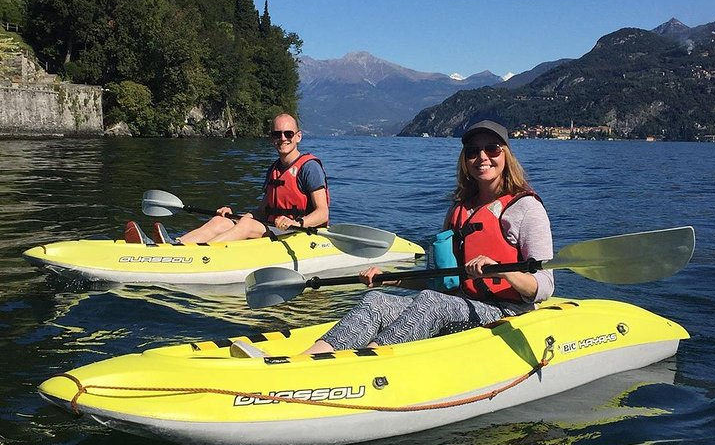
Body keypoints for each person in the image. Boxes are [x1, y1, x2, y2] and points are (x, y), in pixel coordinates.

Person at [296, 120, 554, 355]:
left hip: (509, 313)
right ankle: (308, 359)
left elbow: (544, 286)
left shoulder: (526, 208)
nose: (482, 157)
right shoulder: (459, 211)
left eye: (492, 149)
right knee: (376, 301)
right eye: (473, 152)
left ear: (506, 154)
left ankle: (366, 361)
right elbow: (440, 283)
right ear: (465, 160)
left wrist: (503, 272)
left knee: (433, 303)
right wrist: (393, 281)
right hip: (458, 304)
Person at [124, 113, 329, 244]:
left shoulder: (309, 168)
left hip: (300, 234)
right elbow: (262, 210)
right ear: (271, 138)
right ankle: (176, 244)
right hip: (274, 226)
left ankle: (203, 251)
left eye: (288, 133)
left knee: (245, 226)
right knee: (221, 221)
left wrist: (298, 222)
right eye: (277, 134)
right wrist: (237, 215)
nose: (283, 138)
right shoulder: (274, 169)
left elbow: (322, 212)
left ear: (298, 136)